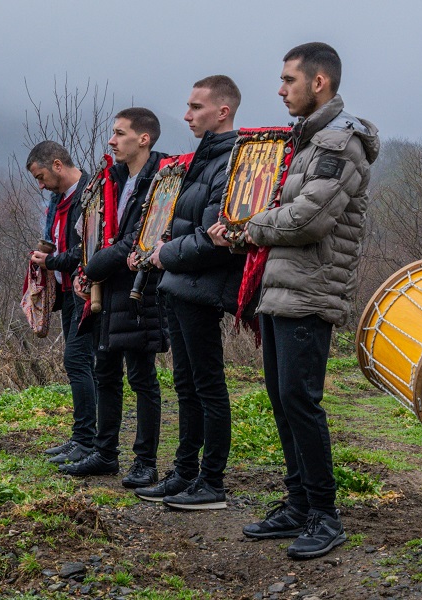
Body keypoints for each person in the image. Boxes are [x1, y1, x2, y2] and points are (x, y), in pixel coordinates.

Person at [211, 42, 379, 559]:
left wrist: (245, 231)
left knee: (301, 403)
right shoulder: (307, 142)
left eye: (289, 80)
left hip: (311, 292)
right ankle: (298, 505)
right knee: (284, 403)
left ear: (319, 82)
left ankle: (325, 516)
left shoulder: (338, 143)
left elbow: (310, 219)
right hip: (283, 290)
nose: (281, 89)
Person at [133, 75, 245, 510]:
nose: (186, 115)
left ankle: (211, 482)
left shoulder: (230, 162)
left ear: (222, 111)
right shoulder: (200, 158)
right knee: (185, 384)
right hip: (178, 286)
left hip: (201, 287)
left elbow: (217, 236)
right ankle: (184, 473)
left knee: (208, 386)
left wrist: (165, 255)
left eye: (196, 107)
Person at [59, 108, 169, 482]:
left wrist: (89, 270)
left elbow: (134, 242)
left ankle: (146, 463)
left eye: (120, 133)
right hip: (105, 293)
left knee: (141, 378)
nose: (111, 140)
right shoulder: (111, 178)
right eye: (112, 132)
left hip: (141, 292)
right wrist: (81, 271)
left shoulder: (163, 178)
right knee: (105, 373)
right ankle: (105, 453)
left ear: (144, 139)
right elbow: (89, 236)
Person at [27, 141, 97, 465]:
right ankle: (81, 438)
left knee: (76, 361)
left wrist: (50, 261)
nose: (40, 185)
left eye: (41, 177)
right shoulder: (57, 202)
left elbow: (85, 250)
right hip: (68, 294)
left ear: (57, 165)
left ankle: (87, 441)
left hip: (87, 294)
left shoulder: (88, 195)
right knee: (79, 364)